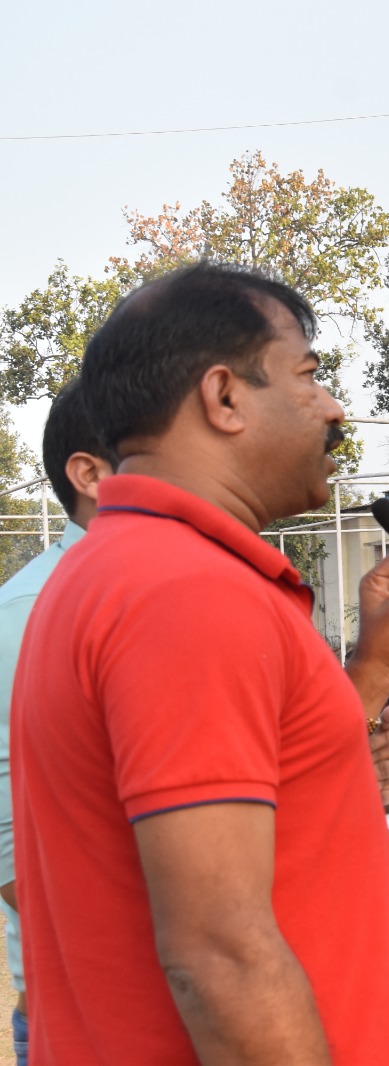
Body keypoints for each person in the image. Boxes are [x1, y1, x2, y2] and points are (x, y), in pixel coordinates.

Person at [14, 265, 389, 1061]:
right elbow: (219, 957)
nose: (333, 408)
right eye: (307, 375)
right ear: (224, 396)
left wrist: (371, 672)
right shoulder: (187, 592)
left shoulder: (110, 569)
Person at [0, 383, 114, 1061]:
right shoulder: (31, 610)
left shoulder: (176, 595)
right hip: (91, 1014)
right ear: (90, 475)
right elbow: (8, 842)